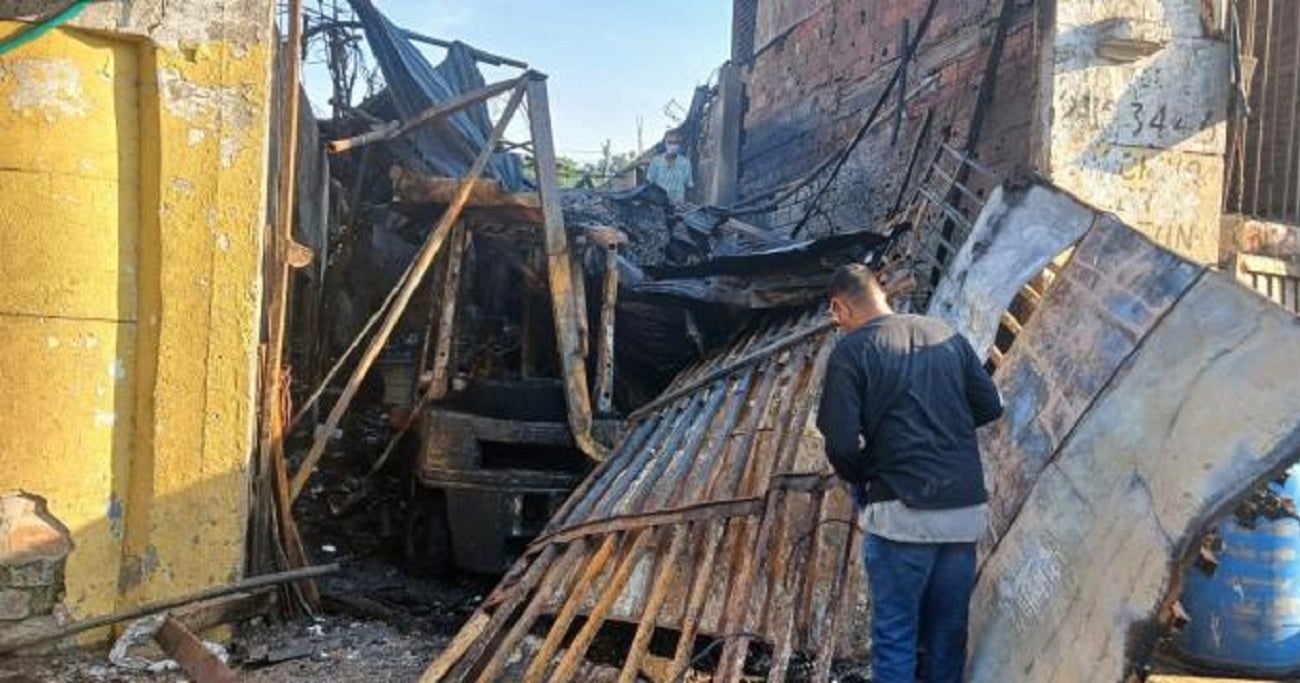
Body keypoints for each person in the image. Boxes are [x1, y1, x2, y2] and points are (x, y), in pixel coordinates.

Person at [816, 263, 1003, 683]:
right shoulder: (945, 335)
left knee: (896, 635)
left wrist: (865, 476)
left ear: (838, 307)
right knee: (947, 634)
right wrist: (942, 431)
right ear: (882, 293)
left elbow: (842, 445)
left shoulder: (851, 352)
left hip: (901, 511)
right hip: (963, 511)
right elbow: (989, 406)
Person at [645, 129, 693, 204]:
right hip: (659, 205)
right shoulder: (656, 161)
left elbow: (689, 186)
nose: (673, 146)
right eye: (670, 143)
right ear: (665, 143)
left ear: (680, 144)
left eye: (676, 143)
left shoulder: (685, 163)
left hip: (678, 205)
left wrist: (689, 203)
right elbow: (649, 184)